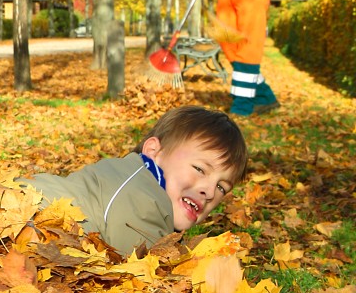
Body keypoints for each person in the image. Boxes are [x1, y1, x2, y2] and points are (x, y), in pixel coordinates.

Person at [22, 106, 247, 255]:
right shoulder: (141, 196)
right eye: (199, 168)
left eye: (221, 186)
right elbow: (139, 274)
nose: (209, 191)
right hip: (17, 219)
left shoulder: (140, 185)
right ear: (153, 151)